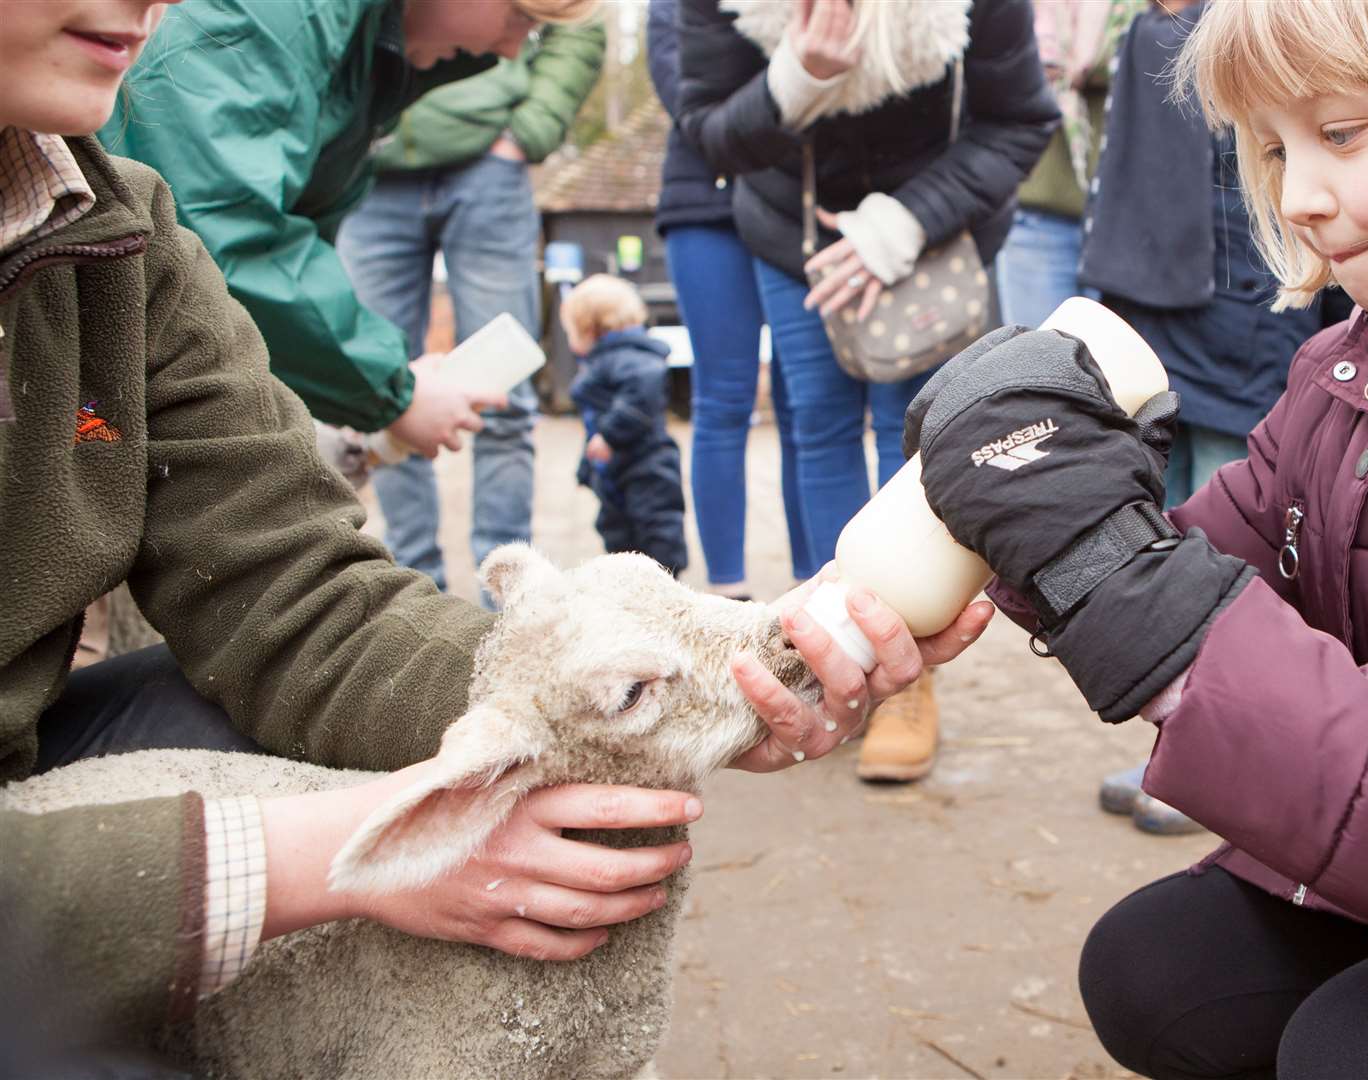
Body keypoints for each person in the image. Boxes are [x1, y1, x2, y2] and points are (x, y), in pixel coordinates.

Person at [0, 1, 993, 1067]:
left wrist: (707, 687)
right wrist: (310, 861)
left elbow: (294, 594)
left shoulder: (114, 226)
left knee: (308, 727)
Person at [905, 0, 1368, 1074]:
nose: (1295, 197)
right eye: (1274, 148)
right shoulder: (1365, 357)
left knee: (1367, 1053)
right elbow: (1217, 565)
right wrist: (1035, 517)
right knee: (1156, 971)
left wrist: (1114, 573)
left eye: (1339, 135)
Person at [677, 0, 1058, 782]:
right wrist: (799, 74)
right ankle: (834, 656)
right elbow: (710, 132)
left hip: (934, 229)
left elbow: (1020, 120)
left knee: (918, 445)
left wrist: (899, 225)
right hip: (797, 236)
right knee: (816, 426)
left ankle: (905, 680)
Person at [1077, 0, 1345, 835]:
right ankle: (1191, 742)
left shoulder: (1283, 23)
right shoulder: (1154, 25)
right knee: (1176, 521)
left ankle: (1244, 753)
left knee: (1243, 530)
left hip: (1250, 288)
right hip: (1162, 289)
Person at [97, 0, 567, 463]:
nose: (510, 51)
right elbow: (224, 229)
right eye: (520, 16)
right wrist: (394, 390)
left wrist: (384, 383)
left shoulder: (366, 54)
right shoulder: (278, 20)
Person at [335, 15, 606, 601]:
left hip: (489, 164)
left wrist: (528, 131)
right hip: (368, 171)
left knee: (504, 393)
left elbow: (579, 22)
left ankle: (508, 603)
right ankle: (411, 598)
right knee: (384, 393)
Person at [647, 0, 813, 602]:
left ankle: (812, 583)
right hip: (706, 205)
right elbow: (690, 94)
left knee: (804, 402)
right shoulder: (673, 8)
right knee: (722, 396)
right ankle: (726, 593)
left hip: (793, 204)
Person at [992, 0, 1141, 328]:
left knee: (1121, 372)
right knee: (1038, 364)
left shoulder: (1145, 13)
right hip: (1039, 213)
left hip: (1128, 220)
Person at [562, 274, 690, 578]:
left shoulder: (631, 357)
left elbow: (640, 397)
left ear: (588, 328)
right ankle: (628, 588)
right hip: (617, 472)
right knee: (617, 531)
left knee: (656, 529)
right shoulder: (607, 359)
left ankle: (666, 589)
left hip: (647, 466)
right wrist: (588, 468)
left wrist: (609, 435)